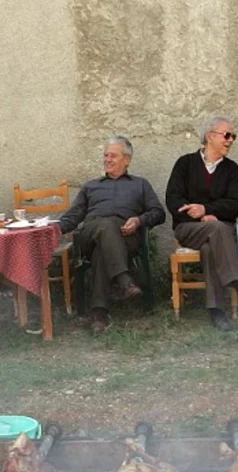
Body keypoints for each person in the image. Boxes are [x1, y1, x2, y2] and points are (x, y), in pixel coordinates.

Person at [58, 136, 166, 333]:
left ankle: (98, 314)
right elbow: (73, 216)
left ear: (127, 159)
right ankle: (124, 280)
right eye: (105, 155)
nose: (107, 159)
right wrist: (52, 230)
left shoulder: (140, 184)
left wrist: (138, 221)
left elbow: (159, 213)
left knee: (103, 250)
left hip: (127, 238)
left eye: (113, 156)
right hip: (90, 234)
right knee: (106, 226)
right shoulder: (91, 186)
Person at [165, 116, 238, 330]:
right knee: (217, 229)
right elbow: (173, 199)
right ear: (210, 136)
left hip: (220, 230)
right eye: (227, 135)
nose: (230, 140)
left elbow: (236, 204)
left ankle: (216, 310)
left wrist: (208, 210)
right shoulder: (185, 163)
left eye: (233, 137)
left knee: (211, 247)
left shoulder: (232, 169)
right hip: (189, 228)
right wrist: (199, 214)